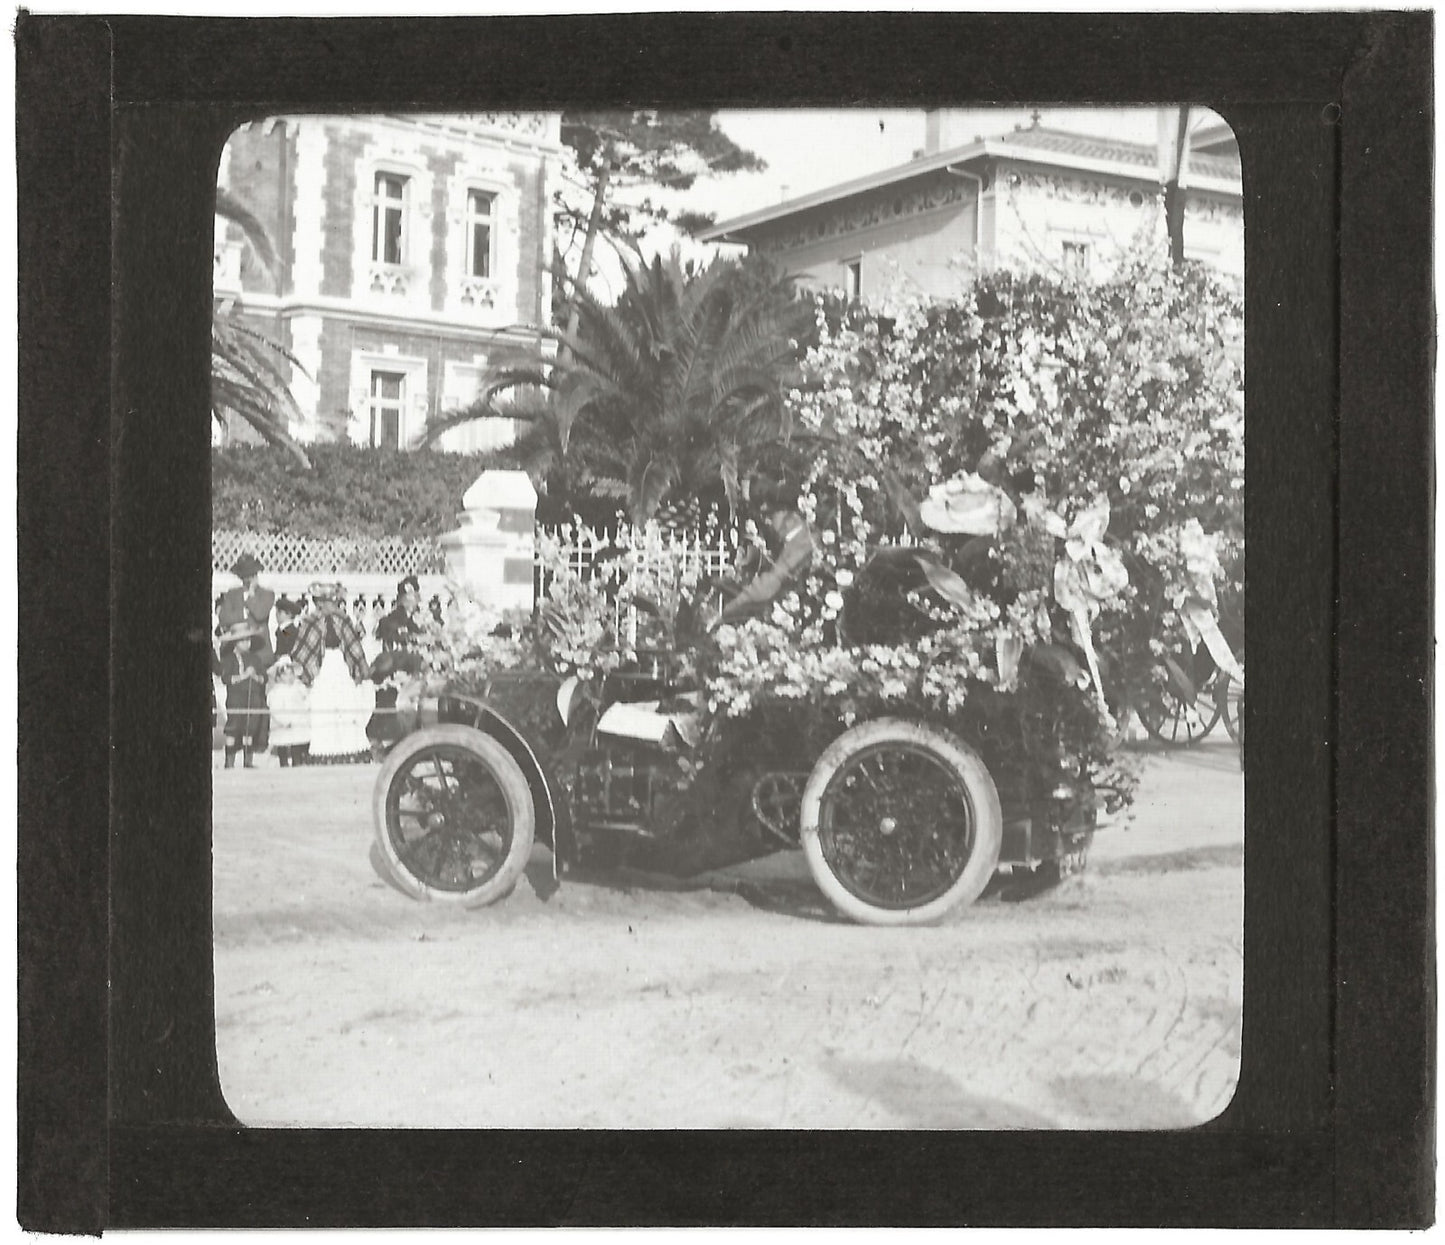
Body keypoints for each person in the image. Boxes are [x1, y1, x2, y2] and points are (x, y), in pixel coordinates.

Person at [292, 581, 374, 763]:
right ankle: (325, 751)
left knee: (345, 706)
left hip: (340, 666)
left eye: (331, 601)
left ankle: (348, 749)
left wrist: (361, 669)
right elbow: (304, 649)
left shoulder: (342, 619)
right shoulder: (310, 621)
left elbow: (354, 647)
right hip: (322, 669)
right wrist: (303, 672)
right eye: (325, 601)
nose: (329, 605)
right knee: (324, 705)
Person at [367, 575, 427, 755]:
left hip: (410, 670)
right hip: (395, 671)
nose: (415, 601)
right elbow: (389, 642)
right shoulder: (392, 620)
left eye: (415, 596)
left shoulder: (418, 619)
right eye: (411, 597)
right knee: (391, 706)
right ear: (404, 599)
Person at [217, 619, 272, 768]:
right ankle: (229, 762)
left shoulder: (255, 658)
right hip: (236, 697)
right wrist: (243, 676)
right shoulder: (228, 659)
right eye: (243, 640)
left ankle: (248, 761)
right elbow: (226, 679)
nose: (247, 643)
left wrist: (254, 676)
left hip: (253, 696)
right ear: (235, 642)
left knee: (250, 727)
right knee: (233, 727)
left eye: (248, 640)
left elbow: (264, 677)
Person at [217, 552, 276, 660]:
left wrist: (252, 595)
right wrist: (244, 614)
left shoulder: (267, 594)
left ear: (256, 575)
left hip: (259, 650)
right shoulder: (232, 593)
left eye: (251, 575)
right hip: (236, 651)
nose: (248, 579)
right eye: (244, 576)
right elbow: (223, 618)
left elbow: (260, 614)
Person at [266, 656, 311, 768]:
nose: (289, 677)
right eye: (285, 674)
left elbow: (305, 702)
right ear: (279, 677)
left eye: (291, 674)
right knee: (282, 743)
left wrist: (302, 715)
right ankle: (284, 764)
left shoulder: (299, 688)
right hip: (283, 723)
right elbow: (275, 709)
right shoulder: (276, 692)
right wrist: (284, 721)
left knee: (297, 743)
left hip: (297, 722)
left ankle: (297, 762)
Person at [273, 596, 304, 661]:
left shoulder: (289, 631)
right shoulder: (284, 630)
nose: (276, 614)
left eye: (279, 612)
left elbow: (289, 649)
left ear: (289, 614)